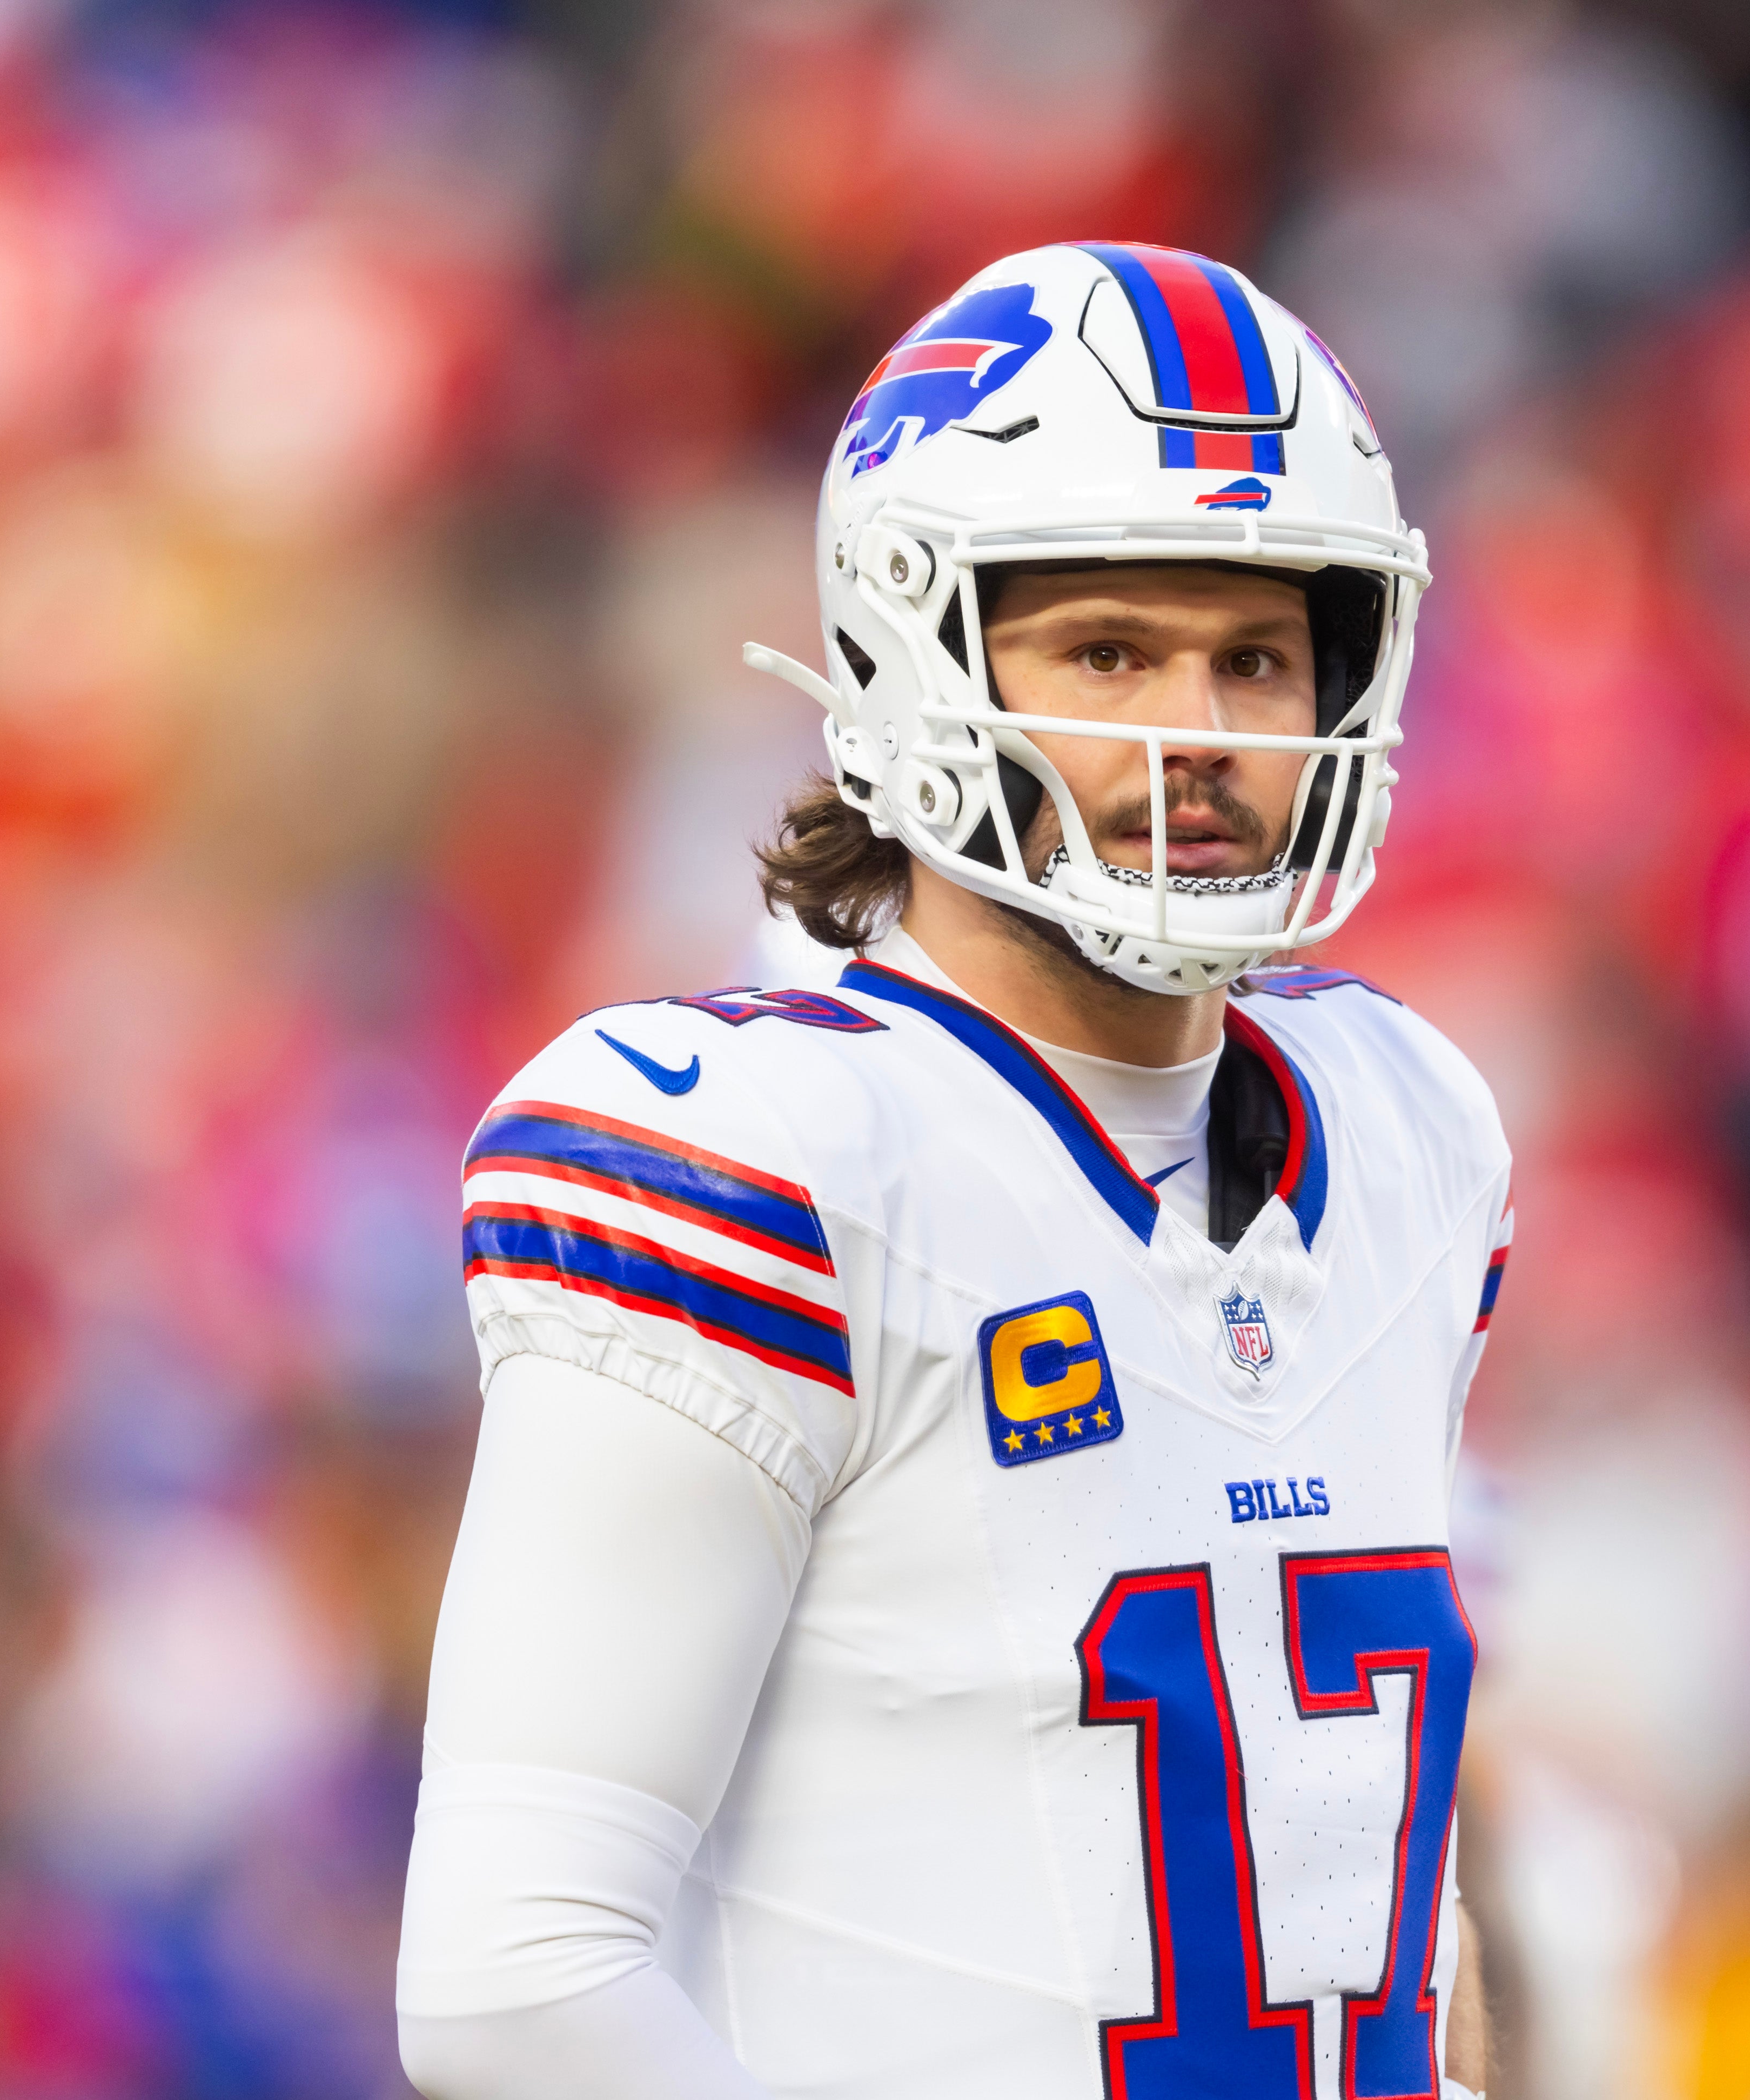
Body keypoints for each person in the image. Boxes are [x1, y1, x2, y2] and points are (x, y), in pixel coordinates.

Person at [395, 241, 1515, 2100]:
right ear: (911, 659)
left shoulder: (1410, 1127)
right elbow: (514, 1983)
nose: (1204, 736)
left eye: (1255, 656)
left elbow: (1374, 1875)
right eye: (1109, 652)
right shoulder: (763, 1155)